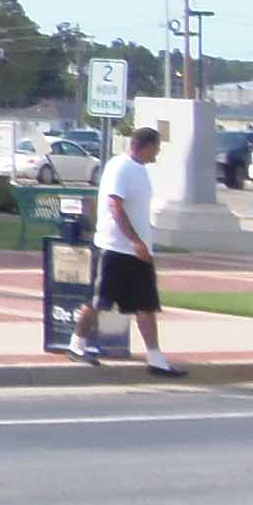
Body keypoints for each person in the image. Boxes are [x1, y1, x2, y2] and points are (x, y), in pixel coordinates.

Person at [69, 123, 183, 375]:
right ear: (146, 146)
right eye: (157, 148)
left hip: (139, 252)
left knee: (146, 304)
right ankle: (77, 344)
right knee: (100, 301)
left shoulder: (139, 170)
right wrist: (134, 240)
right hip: (115, 248)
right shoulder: (120, 167)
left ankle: (155, 358)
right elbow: (115, 206)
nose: (158, 153)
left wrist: (143, 244)